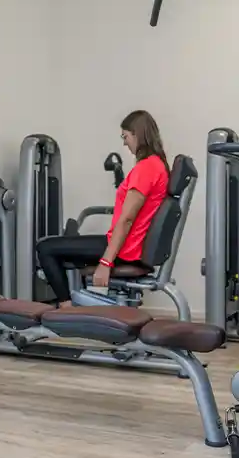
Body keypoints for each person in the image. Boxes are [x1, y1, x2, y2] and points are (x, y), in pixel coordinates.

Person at [35, 110, 170, 309]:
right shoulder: (157, 165)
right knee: (63, 250)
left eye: (125, 136)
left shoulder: (146, 168)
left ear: (137, 134)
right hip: (130, 247)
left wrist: (106, 262)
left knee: (45, 248)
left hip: (125, 249)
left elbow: (127, 219)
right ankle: (73, 306)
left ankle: (66, 309)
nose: (125, 143)